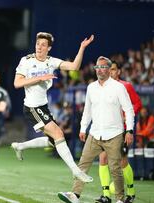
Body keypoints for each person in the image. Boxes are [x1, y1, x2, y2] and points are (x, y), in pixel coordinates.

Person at [12, 32, 94, 183]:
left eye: (43, 45)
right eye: (38, 44)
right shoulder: (26, 60)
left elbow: (74, 67)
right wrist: (39, 78)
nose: (39, 47)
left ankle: (20, 146)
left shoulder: (51, 61)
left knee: (53, 141)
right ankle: (76, 171)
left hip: (43, 106)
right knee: (59, 134)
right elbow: (17, 83)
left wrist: (82, 47)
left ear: (49, 48)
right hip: (31, 107)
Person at [58, 56, 135, 203]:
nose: (99, 70)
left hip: (114, 134)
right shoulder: (91, 87)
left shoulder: (118, 87)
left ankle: (120, 199)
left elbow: (129, 110)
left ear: (109, 69)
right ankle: (75, 194)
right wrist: (83, 129)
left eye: (103, 67)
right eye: (97, 67)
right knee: (83, 163)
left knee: (115, 169)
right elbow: (87, 110)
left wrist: (129, 130)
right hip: (94, 133)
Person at [95, 61, 142, 203]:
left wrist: (126, 117)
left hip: (121, 129)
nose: (111, 72)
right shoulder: (102, 87)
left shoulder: (126, 86)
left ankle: (131, 192)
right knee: (102, 159)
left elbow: (138, 103)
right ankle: (106, 196)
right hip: (105, 129)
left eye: (114, 70)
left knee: (122, 162)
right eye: (110, 69)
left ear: (119, 72)